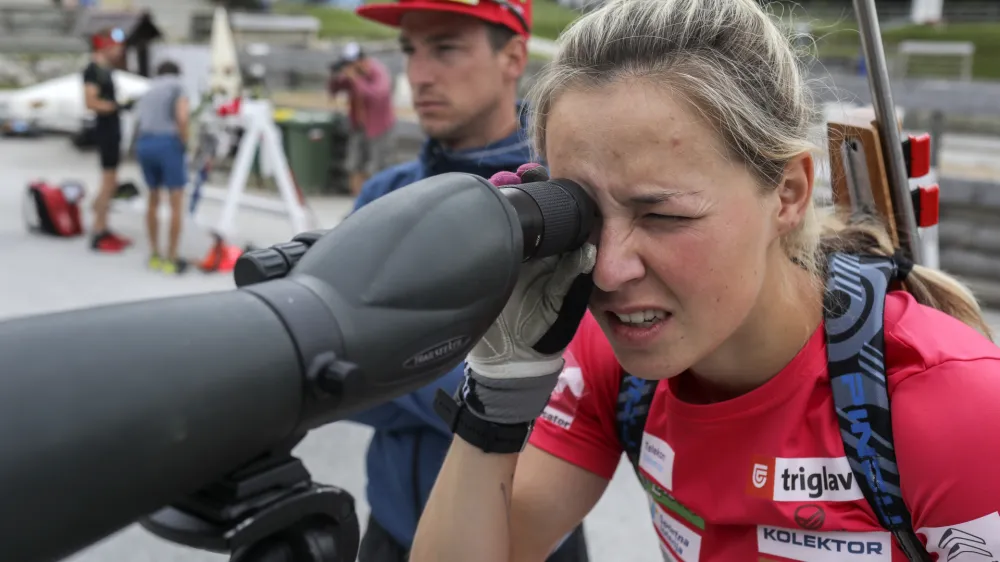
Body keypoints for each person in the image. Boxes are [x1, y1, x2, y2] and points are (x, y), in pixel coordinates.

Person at [411, 0, 1000, 560]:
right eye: (582, 217)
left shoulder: (949, 407)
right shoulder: (609, 362)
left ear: (788, 195)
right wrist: (497, 393)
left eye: (664, 216)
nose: (610, 271)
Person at [340, 0, 590, 560]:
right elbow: (329, 387)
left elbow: (568, 404)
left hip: (526, 540)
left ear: (514, 57)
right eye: (411, 51)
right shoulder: (384, 196)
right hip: (387, 529)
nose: (420, 75)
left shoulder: (565, 200)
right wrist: (477, 388)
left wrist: (387, 360)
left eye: (447, 47)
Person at [134, 60, 191, 275]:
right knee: (176, 201)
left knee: (152, 199)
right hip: (167, 142)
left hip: (145, 143)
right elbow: (182, 117)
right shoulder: (178, 87)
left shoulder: (148, 89)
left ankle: (154, 253)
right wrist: (185, 142)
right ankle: (172, 256)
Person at [83, 27, 132, 253]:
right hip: (106, 129)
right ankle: (99, 228)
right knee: (109, 182)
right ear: (105, 45)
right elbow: (90, 102)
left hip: (112, 129)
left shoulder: (106, 70)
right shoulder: (93, 70)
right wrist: (115, 106)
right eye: (116, 46)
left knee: (110, 180)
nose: (120, 51)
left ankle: (100, 218)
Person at [328, 42, 396, 196]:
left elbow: (378, 95)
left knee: (377, 167)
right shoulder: (353, 74)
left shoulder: (378, 71)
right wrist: (336, 77)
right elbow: (334, 90)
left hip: (379, 127)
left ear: (360, 60)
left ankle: (377, 204)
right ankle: (357, 205)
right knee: (354, 165)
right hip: (358, 126)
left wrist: (356, 79)